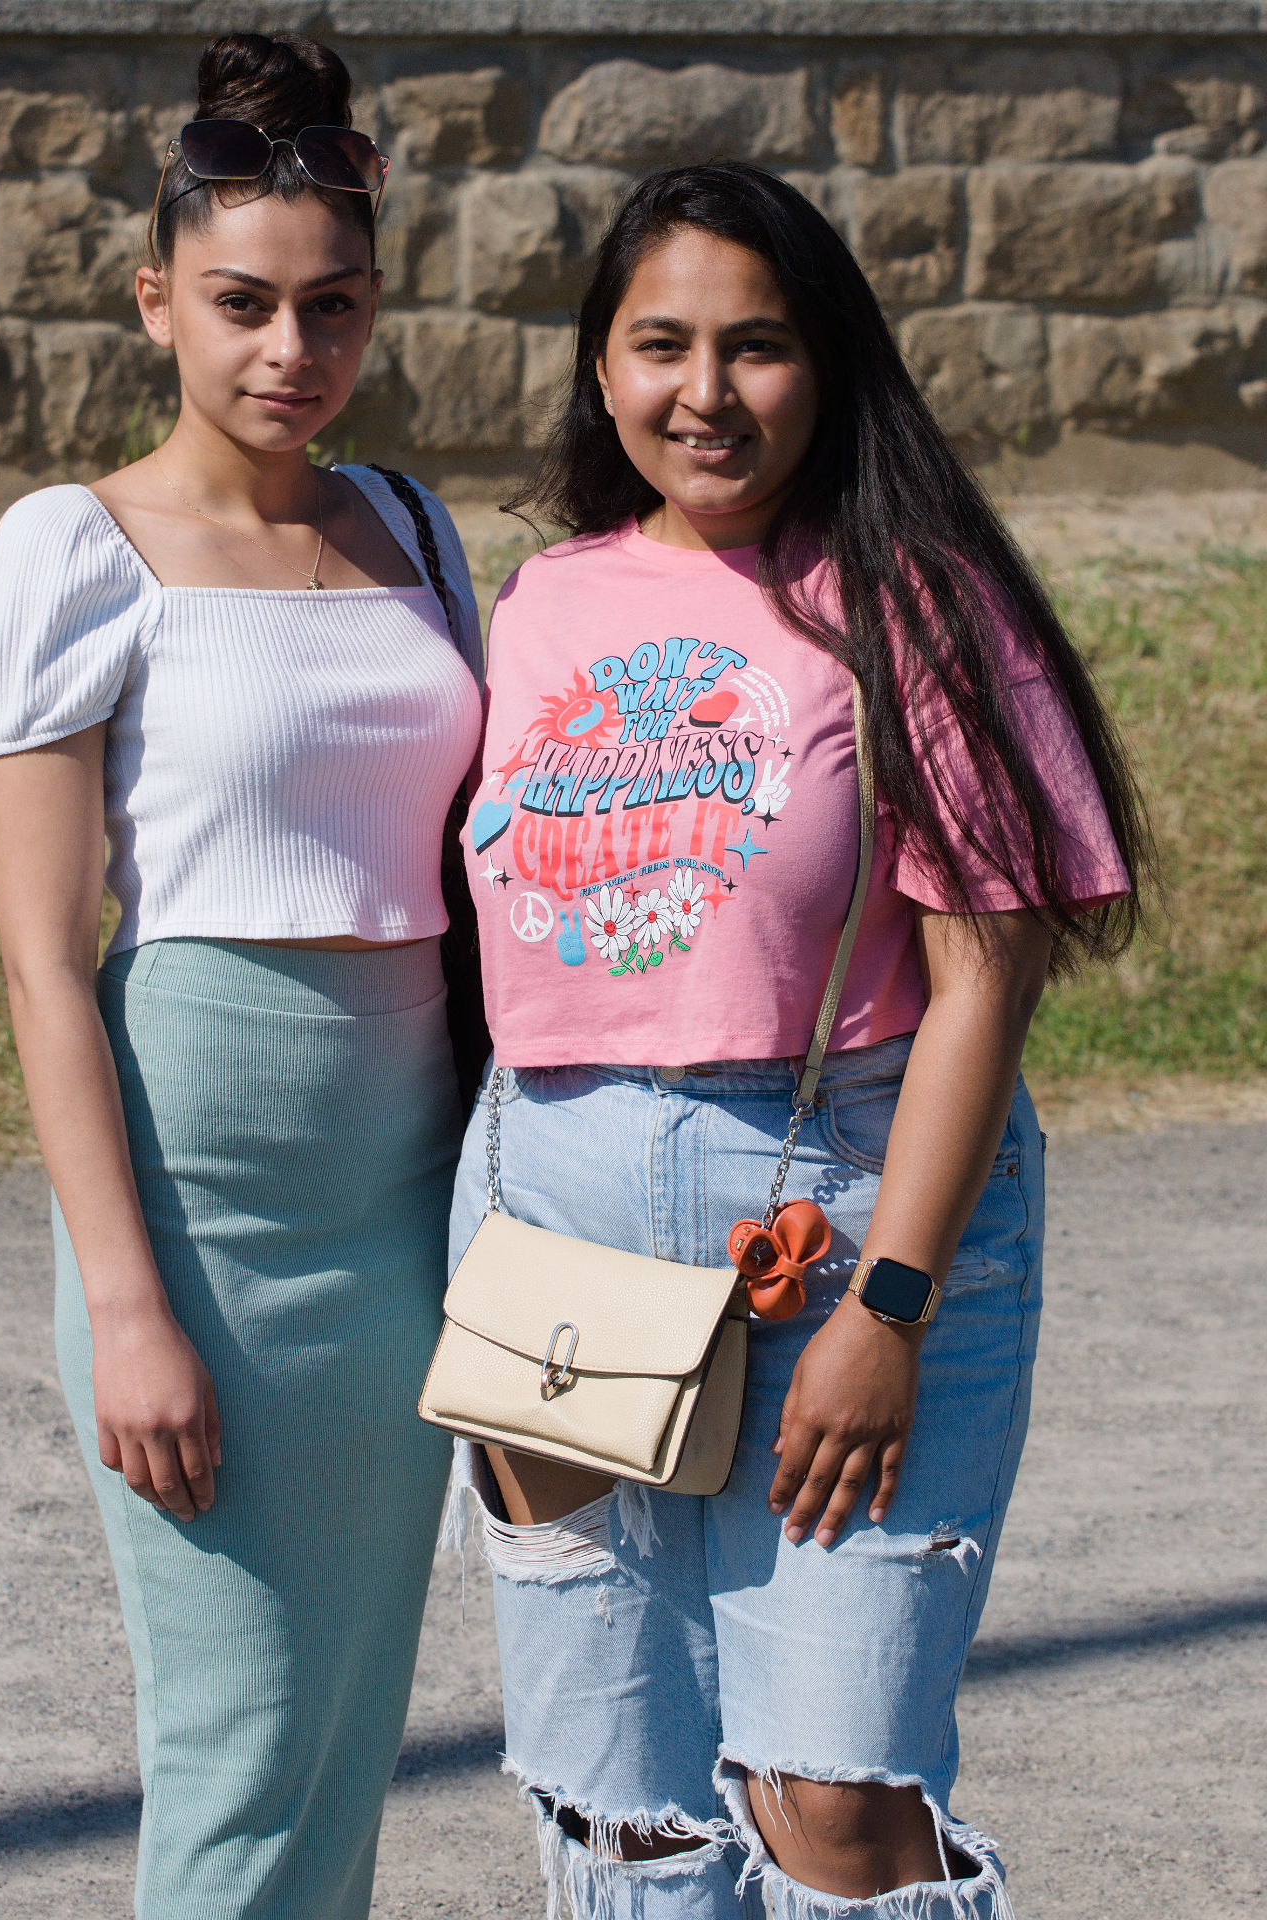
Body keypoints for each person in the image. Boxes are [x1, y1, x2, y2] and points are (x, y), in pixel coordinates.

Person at [443, 163, 1150, 1920]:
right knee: (624, 1802)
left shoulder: (916, 603)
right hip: (554, 1226)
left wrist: (889, 1309)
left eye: (755, 346)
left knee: (834, 1804)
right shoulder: (539, 603)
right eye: (661, 344)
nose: (707, 392)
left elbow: (986, 982)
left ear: (826, 363)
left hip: (835, 1225)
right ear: (600, 367)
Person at [0, 32, 484, 1920]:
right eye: (243, 303)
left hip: (408, 1195)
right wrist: (127, 1306)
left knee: (345, 1733)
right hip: (207, 1211)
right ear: (154, 296)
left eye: (333, 305)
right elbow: (43, 962)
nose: (291, 349)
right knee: (241, 1742)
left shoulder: (413, 529)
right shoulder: (74, 553)